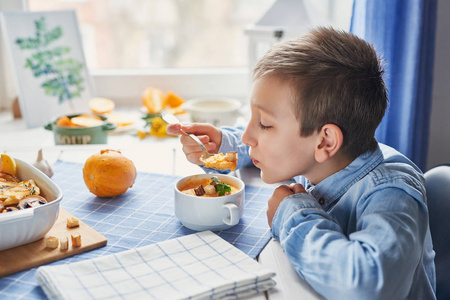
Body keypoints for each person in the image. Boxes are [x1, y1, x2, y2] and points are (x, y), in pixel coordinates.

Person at [166, 27, 436, 299]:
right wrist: (223, 145)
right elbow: (281, 146)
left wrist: (293, 214)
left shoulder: (391, 193)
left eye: (264, 124)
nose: (248, 135)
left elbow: (366, 285)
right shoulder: (330, 156)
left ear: (325, 142)